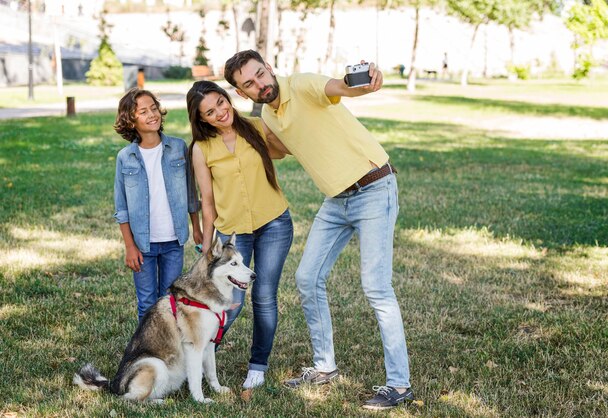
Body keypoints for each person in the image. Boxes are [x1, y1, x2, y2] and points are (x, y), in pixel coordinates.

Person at [224, 50, 412, 410]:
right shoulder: (267, 114)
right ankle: (325, 366)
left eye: (261, 74)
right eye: (248, 83)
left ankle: (399, 385)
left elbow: (340, 87)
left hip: (373, 187)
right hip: (336, 200)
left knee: (376, 287)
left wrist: (366, 80)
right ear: (242, 93)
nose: (260, 84)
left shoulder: (303, 84)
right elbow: (280, 149)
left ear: (270, 68)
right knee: (308, 278)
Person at [186, 81, 294, 390]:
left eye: (221, 103)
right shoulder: (201, 149)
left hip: (274, 223)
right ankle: (200, 359)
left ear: (228, 98)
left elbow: (286, 150)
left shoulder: (257, 127)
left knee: (264, 297)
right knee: (229, 303)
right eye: (210, 112)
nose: (220, 112)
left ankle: (257, 367)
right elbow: (207, 201)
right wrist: (207, 247)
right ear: (202, 119)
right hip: (234, 234)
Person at [113, 88, 201, 323]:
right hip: (143, 245)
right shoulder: (125, 157)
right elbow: (121, 208)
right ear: (130, 120)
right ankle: (146, 351)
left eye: (154, 108)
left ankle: (169, 352)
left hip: (173, 241)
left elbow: (191, 193)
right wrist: (130, 246)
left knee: (170, 301)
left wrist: (197, 228)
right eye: (143, 111)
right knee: (147, 303)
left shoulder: (178, 148)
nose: (152, 114)